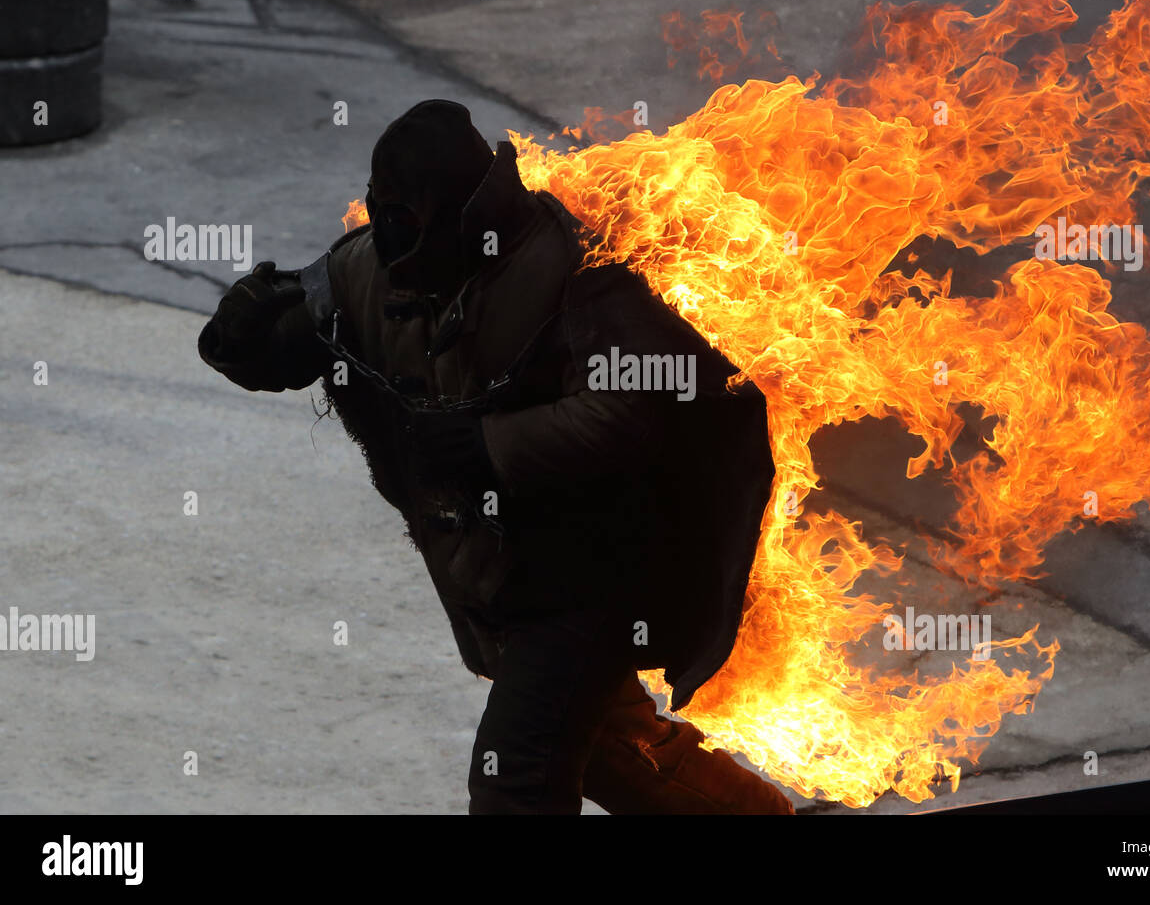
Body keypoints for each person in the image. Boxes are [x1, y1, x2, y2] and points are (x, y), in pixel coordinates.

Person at [198, 99, 791, 814]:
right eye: (386, 218)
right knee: (613, 755)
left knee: (517, 783)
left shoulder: (573, 270)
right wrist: (245, 334)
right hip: (494, 576)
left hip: (587, 574)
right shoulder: (374, 265)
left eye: (410, 221)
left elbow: (644, 405)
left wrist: (489, 443)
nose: (394, 241)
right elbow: (301, 333)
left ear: (465, 211)